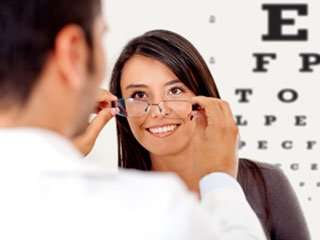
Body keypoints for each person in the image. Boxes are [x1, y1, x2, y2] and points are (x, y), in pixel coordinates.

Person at [0, 1, 266, 240]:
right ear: (74, 52)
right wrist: (220, 181)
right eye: (101, 36)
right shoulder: (153, 212)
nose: (158, 111)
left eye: (175, 90)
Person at [104, 30, 307, 240]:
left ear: (204, 99)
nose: (159, 111)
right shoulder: (109, 202)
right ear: (120, 109)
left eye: (175, 91)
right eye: (139, 95)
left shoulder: (265, 181)